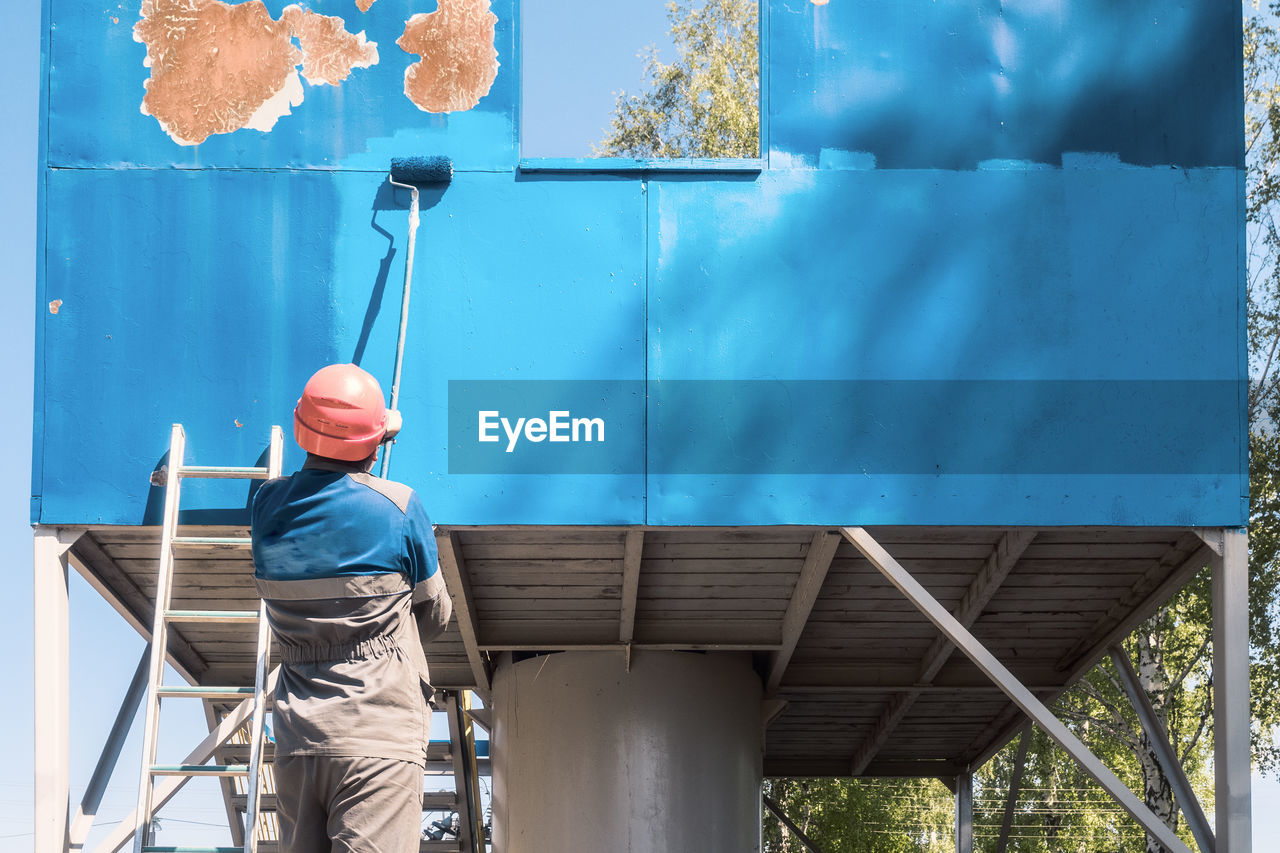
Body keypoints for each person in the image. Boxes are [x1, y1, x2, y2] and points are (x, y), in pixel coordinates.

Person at [250, 362, 453, 853]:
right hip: (376, 734)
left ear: (302, 430)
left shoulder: (264, 506)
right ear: (375, 441)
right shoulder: (398, 505)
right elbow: (436, 616)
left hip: (298, 736)